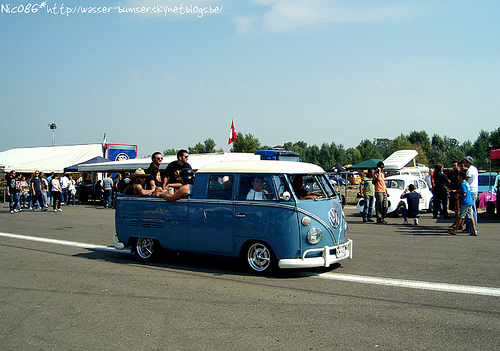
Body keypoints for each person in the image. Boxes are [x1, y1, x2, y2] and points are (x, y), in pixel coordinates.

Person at [448, 171, 477, 236]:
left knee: (460, 216)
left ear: (461, 177)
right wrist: (454, 191)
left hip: (465, 202)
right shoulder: (466, 183)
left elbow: (464, 193)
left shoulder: (463, 184)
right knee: (470, 217)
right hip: (470, 201)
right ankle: (474, 230)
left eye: (458, 176)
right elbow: (463, 191)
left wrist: (459, 196)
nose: (457, 177)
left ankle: (455, 230)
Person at [463, 156, 478, 234]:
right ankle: (470, 227)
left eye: (465, 161)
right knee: (470, 210)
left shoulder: (469, 171)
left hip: (470, 191)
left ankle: (472, 227)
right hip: (474, 190)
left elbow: (467, 182)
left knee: (471, 210)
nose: (464, 163)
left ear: (468, 162)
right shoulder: (475, 169)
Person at [448, 161, 460, 227]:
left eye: (455, 165)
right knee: (455, 209)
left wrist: (456, 191)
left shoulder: (459, 173)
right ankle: (457, 222)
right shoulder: (454, 174)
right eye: (453, 165)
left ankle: (458, 223)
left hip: (456, 193)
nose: (453, 167)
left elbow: (459, 184)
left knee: (457, 209)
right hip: (452, 192)